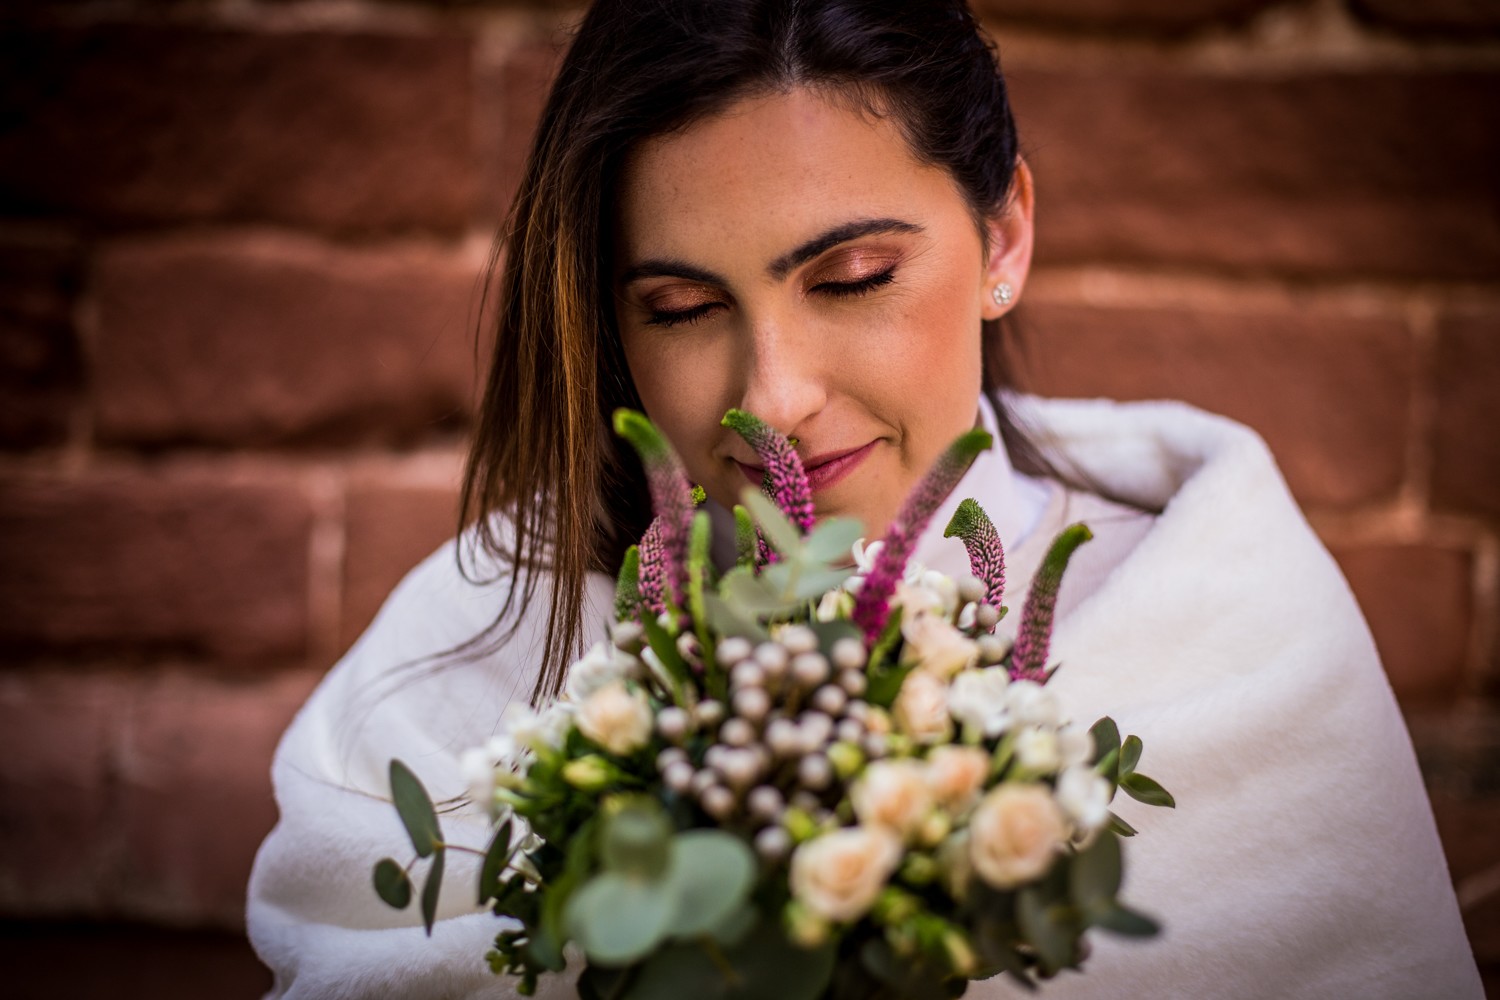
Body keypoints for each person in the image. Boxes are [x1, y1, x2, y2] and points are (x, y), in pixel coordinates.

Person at [246, 1, 1482, 997]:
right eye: (680, 308)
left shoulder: (1232, 620)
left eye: (851, 277)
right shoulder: (470, 651)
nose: (770, 397)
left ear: (1003, 240)